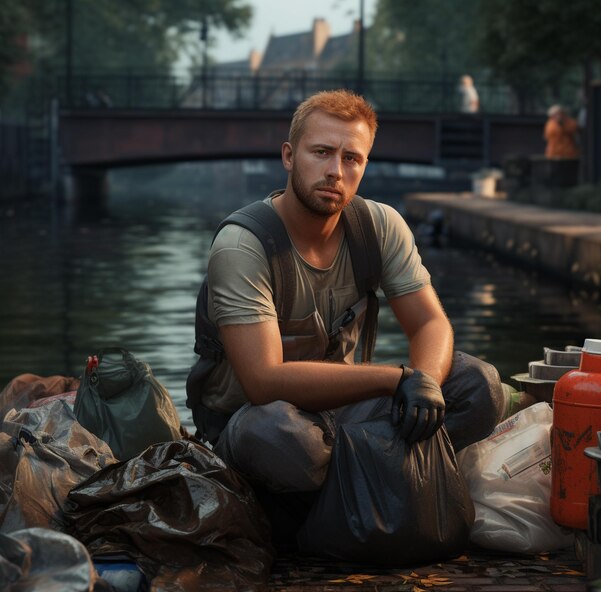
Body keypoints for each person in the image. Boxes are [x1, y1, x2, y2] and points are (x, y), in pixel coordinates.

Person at [189, 89, 508, 541]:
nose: (335, 171)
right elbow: (262, 380)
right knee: (281, 438)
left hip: (340, 417)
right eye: (321, 152)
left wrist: (426, 385)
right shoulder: (244, 245)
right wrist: (398, 379)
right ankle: (380, 490)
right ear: (288, 156)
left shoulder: (379, 226)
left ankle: (353, 493)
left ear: (364, 167)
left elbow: (430, 323)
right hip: (256, 420)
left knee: (479, 386)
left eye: (351, 158)